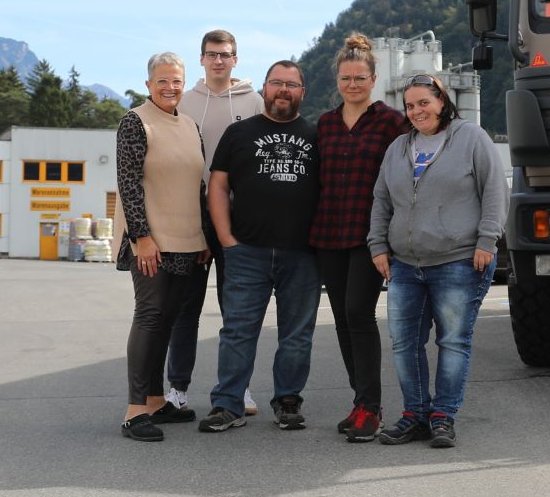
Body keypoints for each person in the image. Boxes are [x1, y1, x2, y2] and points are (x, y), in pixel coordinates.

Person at [368, 73, 507, 449]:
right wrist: (377, 245)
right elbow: (382, 200)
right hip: (405, 264)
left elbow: (495, 190)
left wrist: (487, 241)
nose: (416, 111)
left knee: (453, 341)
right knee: (404, 342)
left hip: (459, 260)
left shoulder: (471, 138)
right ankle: (415, 414)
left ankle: (443, 416)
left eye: (423, 103)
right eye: (410, 105)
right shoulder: (398, 147)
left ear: (442, 101)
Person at [200, 60, 320, 433]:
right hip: (246, 251)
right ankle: (228, 404)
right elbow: (217, 186)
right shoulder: (239, 134)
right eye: (276, 83)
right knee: (237, 330)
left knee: (297, 334)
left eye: (292, 84)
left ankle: (288, 401)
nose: (283, 90)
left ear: (302, 92)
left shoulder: (318, 136)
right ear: (264, 90)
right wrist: (226, 240)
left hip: (303, 253)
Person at [311, 33, 408, 443]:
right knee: (343, 322)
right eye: (346, 78)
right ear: (337, 79)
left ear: (373, 78)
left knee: (359, 314)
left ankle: (372, 407)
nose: (352, 84)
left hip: (370, 236)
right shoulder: (326, 124)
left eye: (360, 77)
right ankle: (360, 402)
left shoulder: (391, 122)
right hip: (329, 232)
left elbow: (403, 178)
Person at [163, 29, 265, 415]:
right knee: (185, 308)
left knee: (235, 310)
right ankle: (178, 389)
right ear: (202, 59)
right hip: (191, 216)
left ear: (235, 59)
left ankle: (239, 389)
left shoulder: (254, 102)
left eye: (225, 54)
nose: (218, 60)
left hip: (238, 219)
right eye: (211, 54)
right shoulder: (184, 103)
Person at [115, 52, 210, 442]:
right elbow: (129, 181)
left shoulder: (189, 125)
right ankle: (135, 409)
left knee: (168, 321)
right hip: (151, 241)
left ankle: (156, 400)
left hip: (188, 241)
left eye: (176, 81)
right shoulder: (135, 122)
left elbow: (197, 186)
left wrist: (203, 236)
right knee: (150, 316)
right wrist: (141, 237)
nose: (170, 87)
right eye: (162, 80)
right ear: (148, 83)